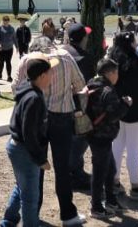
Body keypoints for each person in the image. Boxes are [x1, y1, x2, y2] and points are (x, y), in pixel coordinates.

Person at [11, 36, 86, 227]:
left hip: (37, 118)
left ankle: (32, 214)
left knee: (37, 166)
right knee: (62, 169)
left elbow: (16, 88)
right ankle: (68, 215)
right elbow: (80, 86)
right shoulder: (66, 57)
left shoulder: (28, 60)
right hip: (62, 117)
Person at [0, 56, 54, 227]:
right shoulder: (34, 98)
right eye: (50, 73)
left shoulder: (26, 89)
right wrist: (41, 159)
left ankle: (8, 222)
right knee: (30, 197)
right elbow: (29, 133)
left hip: (16, 146)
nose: (52, 77)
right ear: (42, 76)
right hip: (24, 150)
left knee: (21, 186)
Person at [109, 30, 138, 196]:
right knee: (133, 149)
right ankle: (135, 185)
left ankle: (114, 181)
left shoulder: (112, 62)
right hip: (137, 109)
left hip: (116, 109)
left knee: (117, 147)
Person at [85, 58, 130, 220]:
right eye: (116, 72)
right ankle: (96, 207)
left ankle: (111, 201)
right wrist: (125, 104)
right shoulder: (108, 91)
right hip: (102, 136)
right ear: (110, 73)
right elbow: (112, 115)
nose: (117, 76)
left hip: (92, 133)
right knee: (100, 172)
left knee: (110, 169)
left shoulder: (90, 84)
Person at [62, 23, 96, 188]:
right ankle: (74, 174)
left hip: (58, 104)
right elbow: (86, 86)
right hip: (77, 105)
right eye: (86, 35)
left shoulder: (61, 52)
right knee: (80, 139)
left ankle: (71, 171)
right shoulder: (85, 58)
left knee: (66, 141)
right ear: (83, 38)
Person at [0, 16, 17, 81]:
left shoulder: (11, 28)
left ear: (8, 21)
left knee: (8, 62)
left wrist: (17, 46)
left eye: (7, 20)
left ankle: (9, 76)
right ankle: (0, 74)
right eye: (4, 20)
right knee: (1, 61)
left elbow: (14, 38)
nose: (5, 22)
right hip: (1, 48)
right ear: (2, 21)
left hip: (9, 48)